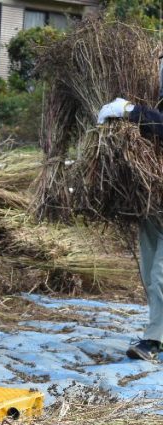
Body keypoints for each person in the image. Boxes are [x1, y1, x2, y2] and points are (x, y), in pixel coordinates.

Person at [98, 96, 163, 360]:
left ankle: (154, 339)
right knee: (149, 274)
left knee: (161, 276)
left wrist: (131, 110)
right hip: (155, 196)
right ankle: (156, 336)